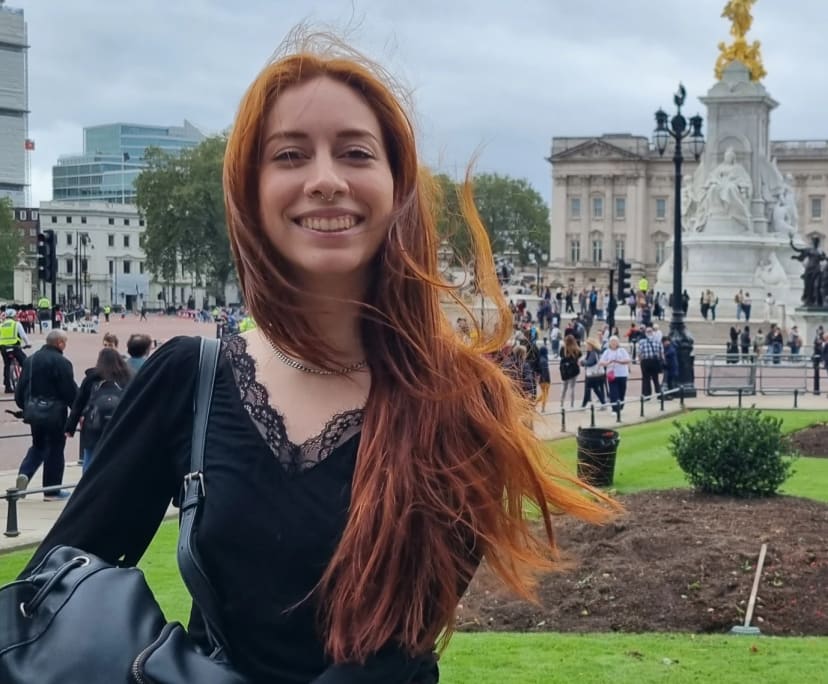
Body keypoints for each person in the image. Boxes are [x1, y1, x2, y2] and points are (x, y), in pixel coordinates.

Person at [18, 38, 615, 684]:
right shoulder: (188, 378)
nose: (326, 179)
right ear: (252, 192)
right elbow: (47, 601)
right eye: (290, 155)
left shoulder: (462, 403)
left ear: (397, 187)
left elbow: (391, 656)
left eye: (356, 153)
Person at [14, 330, 78, 500]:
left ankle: (24, 473)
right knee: (55, 449)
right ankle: (51, 491)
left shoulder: (30, 360)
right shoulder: (62, 362)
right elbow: (69, 390)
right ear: (59, 343)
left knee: (38, 446)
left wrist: (25, 406)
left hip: (34, 411)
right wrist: (77, 410)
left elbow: (21, 389)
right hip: (55, 413)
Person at [65, 348, 132, 474]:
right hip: (119, 424)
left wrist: (70, 427)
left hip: (94, 425)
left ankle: (87, 483)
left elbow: (79, 404)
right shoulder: (127, 378)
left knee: (90, 456)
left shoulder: (91, 379)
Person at [0, 308, 31, 393]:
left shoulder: (1, 325)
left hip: (3, 348)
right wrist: (28, 344)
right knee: (26, 363)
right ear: (14, 316)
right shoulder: (16, 324)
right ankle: (27, 382)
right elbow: (23, 335)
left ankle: (7, 387)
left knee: (7, 366)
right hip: (15, 347)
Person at [599, 335, 631, 416]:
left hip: (622, 374)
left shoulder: (622, 350)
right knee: (613, 392)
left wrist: (619, 361)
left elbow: (628, 360)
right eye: (612, 342)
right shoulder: (607, 351)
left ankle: (620, 405)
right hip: (612, 375)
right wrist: (607, 363)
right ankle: (614, 408)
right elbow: (601, 362)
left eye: (615, 341)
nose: (613, 343)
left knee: (622, 392)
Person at [636, 326, 663, 398]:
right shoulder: (658, 341)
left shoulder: (642, 342)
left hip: (646, 361)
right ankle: (658, 393)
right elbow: (661, 353)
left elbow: (639, 353)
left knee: (646, 378)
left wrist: (641, 361)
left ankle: (647, 394)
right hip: (654, 360)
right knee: (655, 378)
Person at [580, 338, 606, 408]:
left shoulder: (593, 353)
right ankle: (603, 403)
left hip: (592, 375)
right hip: (597, 374)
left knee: (588, 389)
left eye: (587, 345)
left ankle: (584, 404)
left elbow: (590, 363)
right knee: (596, 389)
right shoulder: (595, 352)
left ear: (591, 345)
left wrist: (582, 362)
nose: (586, 346)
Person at [558, 334, 581, 408]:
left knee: (564, 387)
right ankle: (572, 404)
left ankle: (561, 403)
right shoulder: (576, 348)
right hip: (574, 369)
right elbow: (579, 356)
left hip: (565, 370)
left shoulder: (563, 348)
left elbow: (561, 356)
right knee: (572, 387)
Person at [534, 343, 551, 413]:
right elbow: (545, 370)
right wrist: (544, 378)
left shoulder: (539, 359)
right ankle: (542, 407)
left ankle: (535, 403)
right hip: (545, 379)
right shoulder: (544, 360)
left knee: (544, 393)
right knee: (545, 394)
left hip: (541, 379)